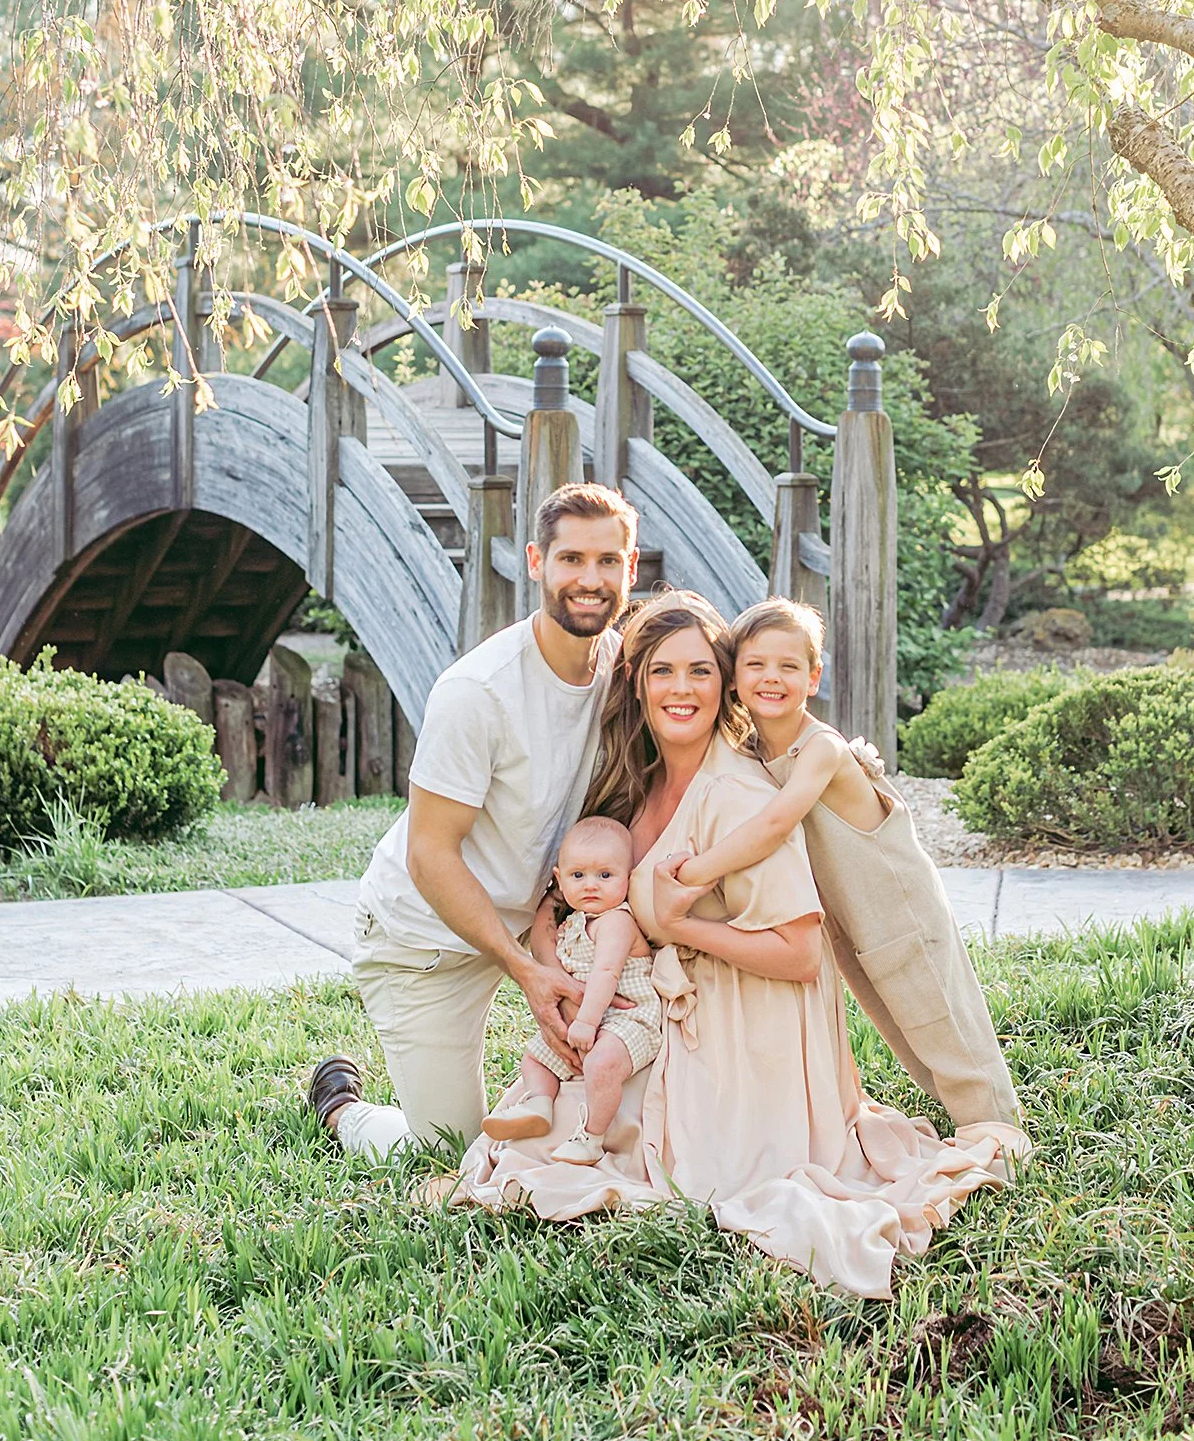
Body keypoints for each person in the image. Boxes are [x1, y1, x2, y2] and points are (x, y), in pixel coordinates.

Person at [447, 593, 1028, 1298]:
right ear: (637, 682)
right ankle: (349, 1109)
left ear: (724, 683)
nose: (682, 688)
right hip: (662, 1009)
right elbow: (565, 901)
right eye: (663, 671)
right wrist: (553, 974)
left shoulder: (738, 792)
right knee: (536, 1131)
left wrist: (683, 928)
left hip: (752, 1030)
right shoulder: (634, 785)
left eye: (700, 671)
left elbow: (801, 955)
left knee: (614, 1156)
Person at [306, 482, 637, 1159]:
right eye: (571, 559)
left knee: (602, 1115)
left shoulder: (624, 670)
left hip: (538, 923)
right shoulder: (477, 691)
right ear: (536, 561)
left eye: (608, 561)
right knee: (452, 1152)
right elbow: (430, 854)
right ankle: (343, 1110)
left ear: (631, 568)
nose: (590, 579)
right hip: (424, 940)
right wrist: (524, 969)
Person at [673, 597, 1022, 1131]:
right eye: (756, 664)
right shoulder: (752, 750)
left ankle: (997, 1128)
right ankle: (963, 1117)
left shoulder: (822, 749)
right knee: (898, 1025)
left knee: (940, 1019)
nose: (772, 677)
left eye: (789, 666)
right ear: (734, 678)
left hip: (899, 910)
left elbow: (775, 824)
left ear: (813, 678)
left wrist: (695, 873)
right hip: (850, 919)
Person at [483, 815, 660, 1165]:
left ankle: (591, 1137)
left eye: (605, 876)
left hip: (629, 1017)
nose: (591, 885)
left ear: (628, 877)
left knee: (602, 1063)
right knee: (535, 1057)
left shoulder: (617, 921)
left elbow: (607, 974)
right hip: (591, 1017)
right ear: (559, 880)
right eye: (578, 876)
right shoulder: (573, 923)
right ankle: (538, 1104)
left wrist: (586, 1023)